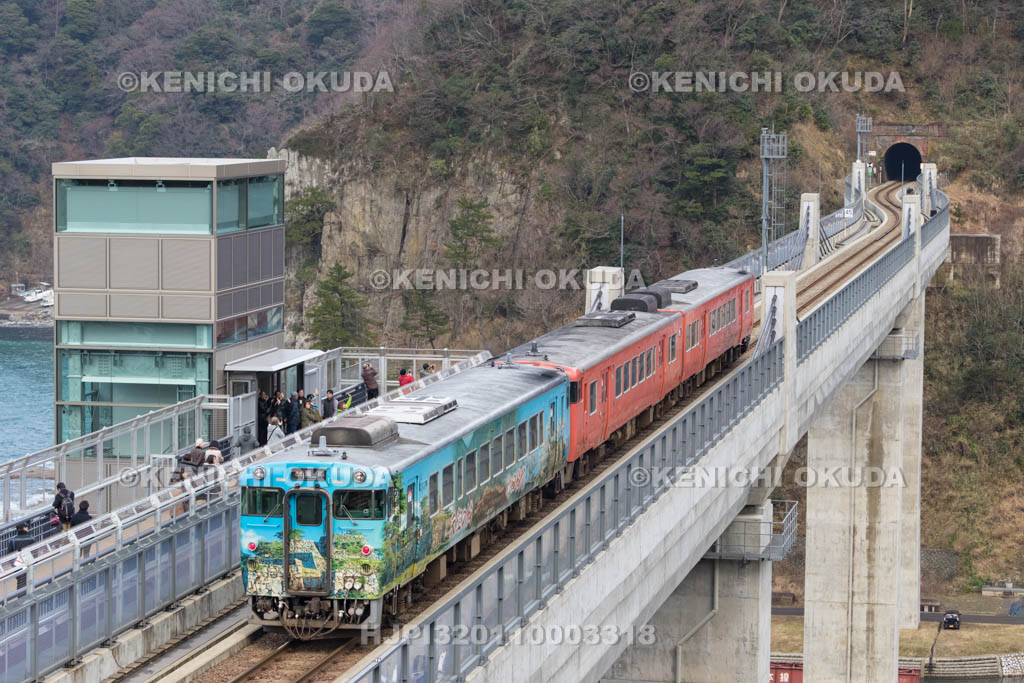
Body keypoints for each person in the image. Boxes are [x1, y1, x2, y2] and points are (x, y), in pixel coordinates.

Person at [9, 523, 33, 589]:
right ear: (23, 528)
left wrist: (13, 564)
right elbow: (34, 552)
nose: (27, 528)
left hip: (17, 564)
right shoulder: (31, 538)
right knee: (28, 580)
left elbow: (9, 554)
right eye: (26, 527)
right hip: (28, 562)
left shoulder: (13, 540)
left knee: (20, 581)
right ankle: (27, 593)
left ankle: (21, 593)